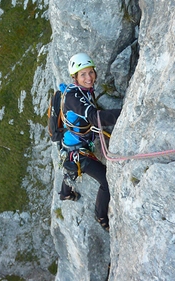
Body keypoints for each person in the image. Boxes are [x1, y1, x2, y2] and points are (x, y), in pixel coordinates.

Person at [58, 52, 121, 232]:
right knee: (106, 182)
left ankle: (65, 193)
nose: (89, 78)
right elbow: (94, 117)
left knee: (70, 170)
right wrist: (126, 112)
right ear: (75, 77)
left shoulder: (80, 91)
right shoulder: (73, 97)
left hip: (75, 144)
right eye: (83, 74)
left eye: (90, 72)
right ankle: (100, 215)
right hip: (76, 150)